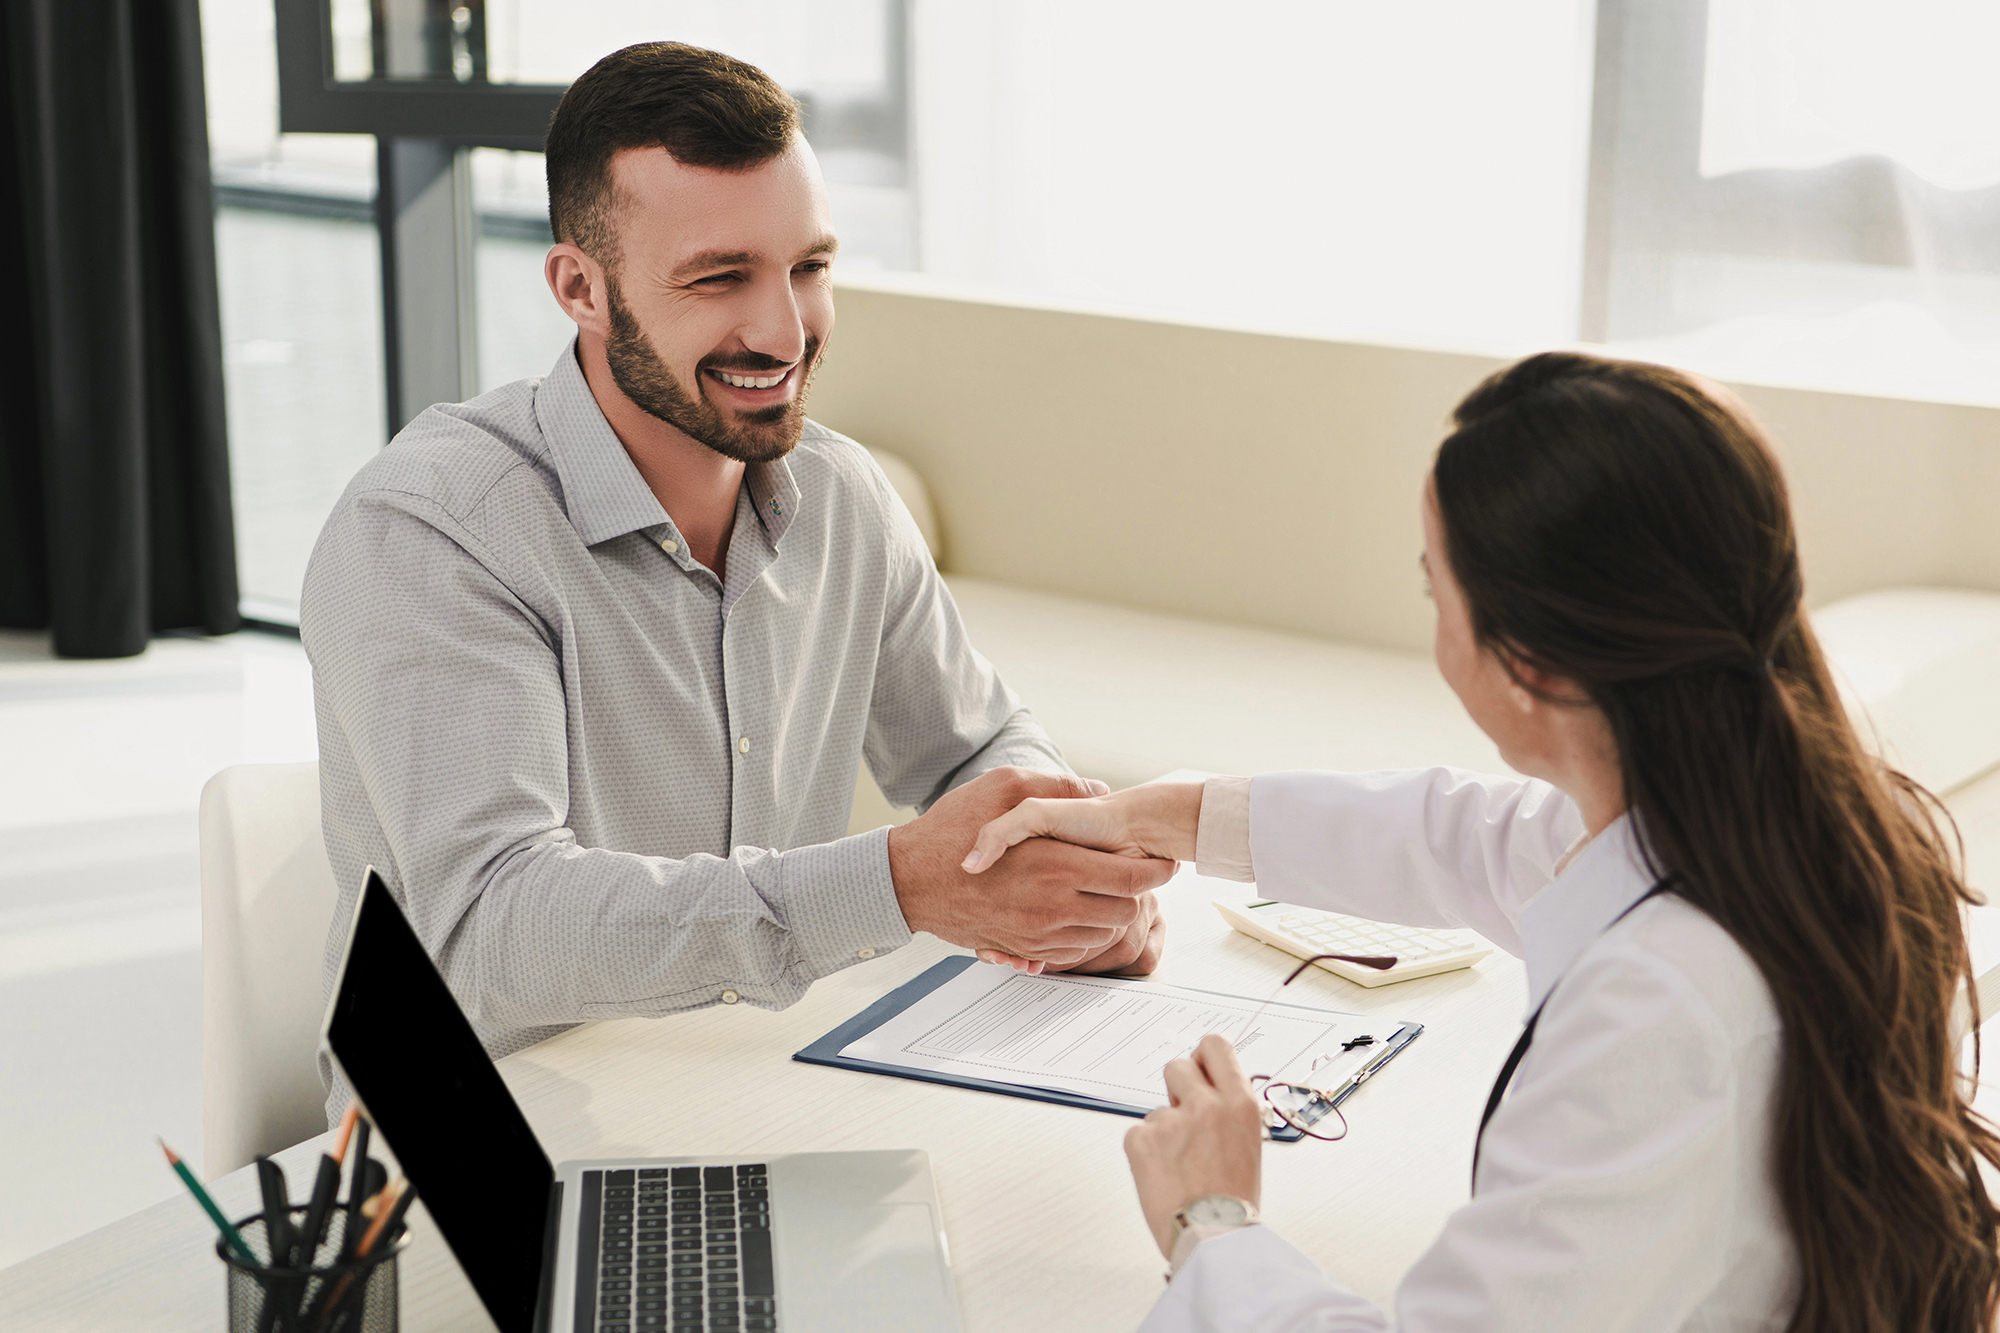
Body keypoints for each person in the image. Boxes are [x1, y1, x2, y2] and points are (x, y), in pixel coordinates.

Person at [963, 352, 2000, 1331]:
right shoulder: (1793, 822)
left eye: (1435, 589)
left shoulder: (1655, 1007)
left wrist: (1210, 1219)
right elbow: (1461, 835)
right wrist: (1159, 814)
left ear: (1528, 666)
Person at [300, 42, 1170, 1116]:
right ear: (581, 286)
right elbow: (492, 926)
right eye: (721, 278)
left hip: (758, 1079)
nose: (783, 329)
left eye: (806, 267)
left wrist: (1060, 870)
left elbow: (979, 749)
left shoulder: (842, 497)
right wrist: (900, 883)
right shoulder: (435, 531)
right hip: (480, 1132)